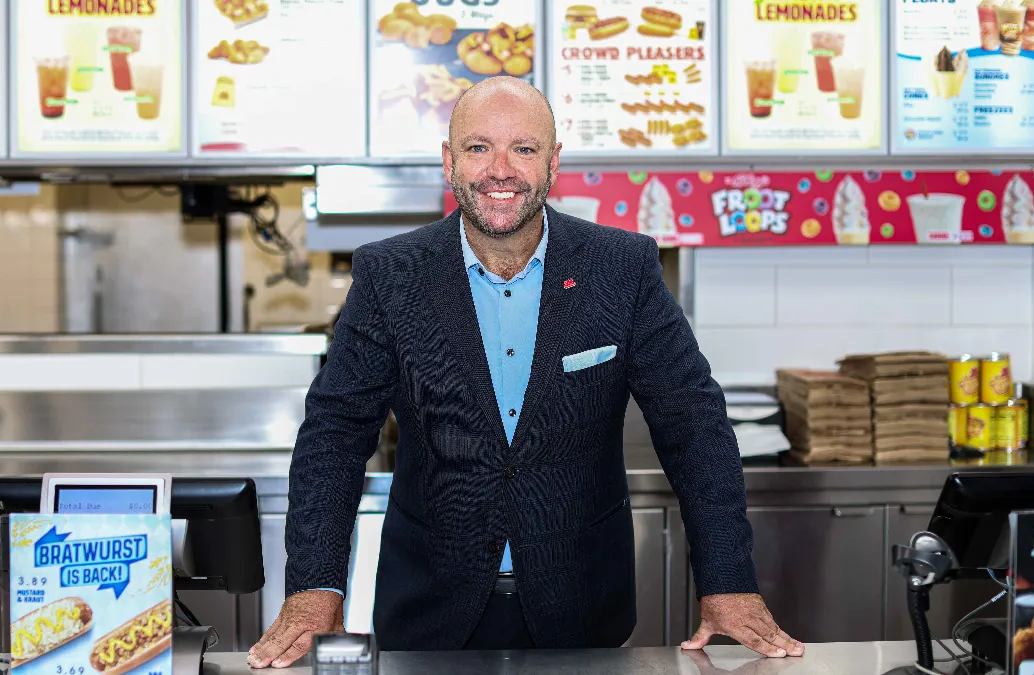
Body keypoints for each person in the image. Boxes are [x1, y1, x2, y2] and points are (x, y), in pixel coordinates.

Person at [248, 76, 802, 669]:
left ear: (554, 161)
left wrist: (727, 580)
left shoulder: (623, 267)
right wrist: (315, 588)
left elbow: (692, 423)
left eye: (525, 148)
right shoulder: (391, 275)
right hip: (430, 611)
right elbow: (334, 434)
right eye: (479, 147)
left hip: (583, 610)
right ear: (449, 161)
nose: (500, 169)